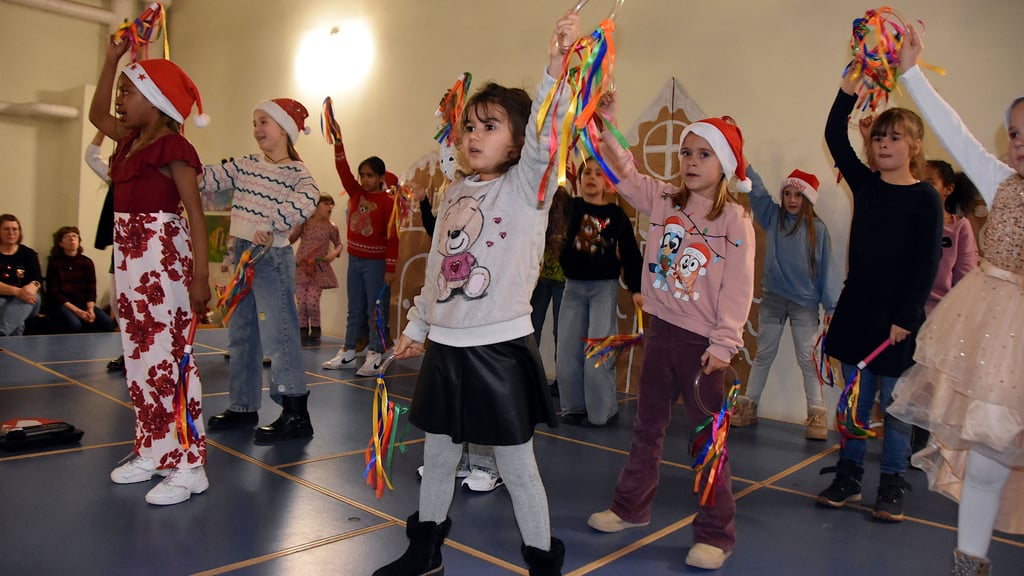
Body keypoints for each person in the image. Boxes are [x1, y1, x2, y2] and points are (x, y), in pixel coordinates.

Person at [374, 13, 578, 576]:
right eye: (469, 127)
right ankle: (425, 552)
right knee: (437, 456)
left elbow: (545, 135)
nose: (473, 136)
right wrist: (418, 330)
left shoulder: (527, 189)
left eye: (489, 126)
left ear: (516, 142)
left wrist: (555, 70)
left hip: (498, 351)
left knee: (516, 466)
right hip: (447, 345)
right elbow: (439, 273)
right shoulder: (456, 192)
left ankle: (541, 562)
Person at [586, 94, 756, 571]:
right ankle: (630, 507)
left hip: (703, 346)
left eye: (704, 154)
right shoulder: (663, 199)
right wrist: (611, 125)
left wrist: (724, 344)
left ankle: (716, 533)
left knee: (707, 441)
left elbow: (738, 289)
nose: (691, 162)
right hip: (660, 333)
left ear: (724, 164)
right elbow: (623, 171)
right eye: (686, 152)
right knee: (647, 428)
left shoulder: (733, 221)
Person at [887, 24, 1024, 574]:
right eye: (1014, 133)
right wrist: (911, 74)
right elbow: (958, 133)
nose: (1018, 144)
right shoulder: (1002, 183)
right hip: (995, 331)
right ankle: (970, 559)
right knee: (988, 454)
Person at [814, 62, 944, 523]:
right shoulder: (866, 185)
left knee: (894, 408)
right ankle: (848, 476)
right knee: (854, 401)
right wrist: (849, 85)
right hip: (858, 312)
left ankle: (891, 482)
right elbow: (833, 134)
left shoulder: (926, 198)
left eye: (894, 138)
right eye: (879, 138)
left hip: (897, 320)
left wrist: (906, 317)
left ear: (913, 146)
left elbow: (927, 262)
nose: (884, 144)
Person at [89, 40, 211, 505]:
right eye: (120, 91)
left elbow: (195, 215)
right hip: (131, 259)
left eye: (128, 91)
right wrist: (109, 62)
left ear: (156, 100)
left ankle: (190, 462)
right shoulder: (127, 142)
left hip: (163, 261)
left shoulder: (173, 146)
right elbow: (97, 115)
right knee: (139, 358)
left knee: (172, 359)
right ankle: (155, 448)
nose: (119, 100)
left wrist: (199, 276)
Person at [199, 98, 319, 443]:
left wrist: (273, 222)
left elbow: (308, 199)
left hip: (270, 257)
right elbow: (209, 178)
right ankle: (242, 406)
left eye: (264, 122)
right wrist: (182, 162)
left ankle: (296, 414)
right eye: (254, 122)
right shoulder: (247, 164)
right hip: (243, 255)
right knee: (242, 335)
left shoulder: (297, 172)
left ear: (284, 128)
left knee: (279, 336)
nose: (257, 129)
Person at [732, 169, 841, 440]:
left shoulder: (819, 230)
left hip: (804, 303)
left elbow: (828, 269)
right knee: (763, 354)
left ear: (808, 199)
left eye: (798, 195)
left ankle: (816, 412)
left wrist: (831, 306)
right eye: (788, 194)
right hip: (773, 299)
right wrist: (746, 166)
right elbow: (757, 193)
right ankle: (749, 405)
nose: (792, 200)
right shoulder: (773, 217)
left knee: (808, 358)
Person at [556, 160, 642, 427]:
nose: (592, 178)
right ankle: (573, 407)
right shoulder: (570, 208)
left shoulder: (616, 217)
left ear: (608, 183)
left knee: (597, 350)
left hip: (603, 288)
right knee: (568, 350)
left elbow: (630, 254)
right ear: (579, 179)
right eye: (587, 173)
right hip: (573, 287)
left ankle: (602, 411)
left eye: (598, 174)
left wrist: (637, 289)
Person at [321, 130, 399, 377]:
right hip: (355, 260)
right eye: (362, 175)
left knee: (375, 308)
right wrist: (339, 144)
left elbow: (393, 237)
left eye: (370, 176)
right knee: (354, 307)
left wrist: (390, 268)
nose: (364, 180)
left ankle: (376, 352)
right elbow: (342, 169)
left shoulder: (388, 202)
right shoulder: (356, 193)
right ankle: (349, 352)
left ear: (380, 177)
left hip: (376, 263)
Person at [85, 131, 126, 372]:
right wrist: (104, 129)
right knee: (117, 301)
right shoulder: (114, 177)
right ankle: (129, 350)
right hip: (119, 247)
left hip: (140, 246)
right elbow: (91, 156)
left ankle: (142, 352)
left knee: (134, 302)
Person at [530, 186, 570, 397]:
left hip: (558, 282)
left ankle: (557, 380)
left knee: (556, 330)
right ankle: (533, 376)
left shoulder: (563, 226)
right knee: (536, 327)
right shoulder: (543, 223)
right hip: (545, 280)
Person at [289, 194, 343, 345]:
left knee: (312, 301)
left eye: (332, 204)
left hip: (318, 269)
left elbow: (339, 244)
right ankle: (302, 329)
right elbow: (291, 238)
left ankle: (316, 327)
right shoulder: (305, 223)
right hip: (302, 267)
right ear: (315, 206)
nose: (330, 207)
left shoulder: (331, 227)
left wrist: (333, 254)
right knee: (301, 301)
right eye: (326, 204)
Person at [45, 226, 115, 334]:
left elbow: (91, 288)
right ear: (60, 243)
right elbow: (55, 293)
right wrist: (78, 312)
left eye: (74, 236)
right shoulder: (55, 263)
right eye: (67, 237)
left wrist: (90, 309)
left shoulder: (87, 262)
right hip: (63, 304)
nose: (72, 239)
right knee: (74, 324)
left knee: (107, 322)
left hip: (83, 303)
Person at [0, 214, 43, 336]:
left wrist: (32, 286)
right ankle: (12, 350)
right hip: (3, 298)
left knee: (34, 298)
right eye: (6, 229)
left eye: (15, 229)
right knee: (17, 322)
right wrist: (17, 291)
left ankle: (1, 334)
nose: (11, 232)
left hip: (26, 300)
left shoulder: (28, 253)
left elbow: (37, 279)